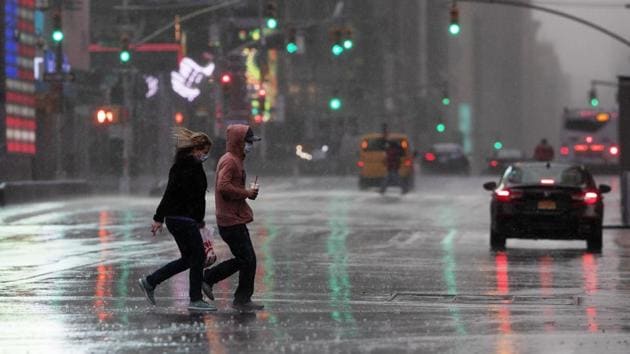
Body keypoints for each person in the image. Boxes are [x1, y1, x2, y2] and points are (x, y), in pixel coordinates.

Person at [138, 127, 216, 312]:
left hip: (186, 219)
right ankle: (195, 299)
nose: (205, 156)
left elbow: (196, 197)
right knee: (198, 257)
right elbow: (170, 193)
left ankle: (150, 281)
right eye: (204, 152)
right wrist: (158, 218)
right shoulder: (185, 166)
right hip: (181, 219)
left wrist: (200, 221)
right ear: (195, 149)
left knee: (189, 259)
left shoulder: (190, 165)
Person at [202, 124, 264, 312]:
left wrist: (246, 194)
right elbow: (223, 186)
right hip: (230, 220)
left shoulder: (235, 159)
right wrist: (246, 193)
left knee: (247, 259)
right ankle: (211, 279)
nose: (250, 146)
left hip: (234, 217)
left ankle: (241, 297)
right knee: (247, 259)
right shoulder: (230, 161)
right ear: (239, 142)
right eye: (248, 142)